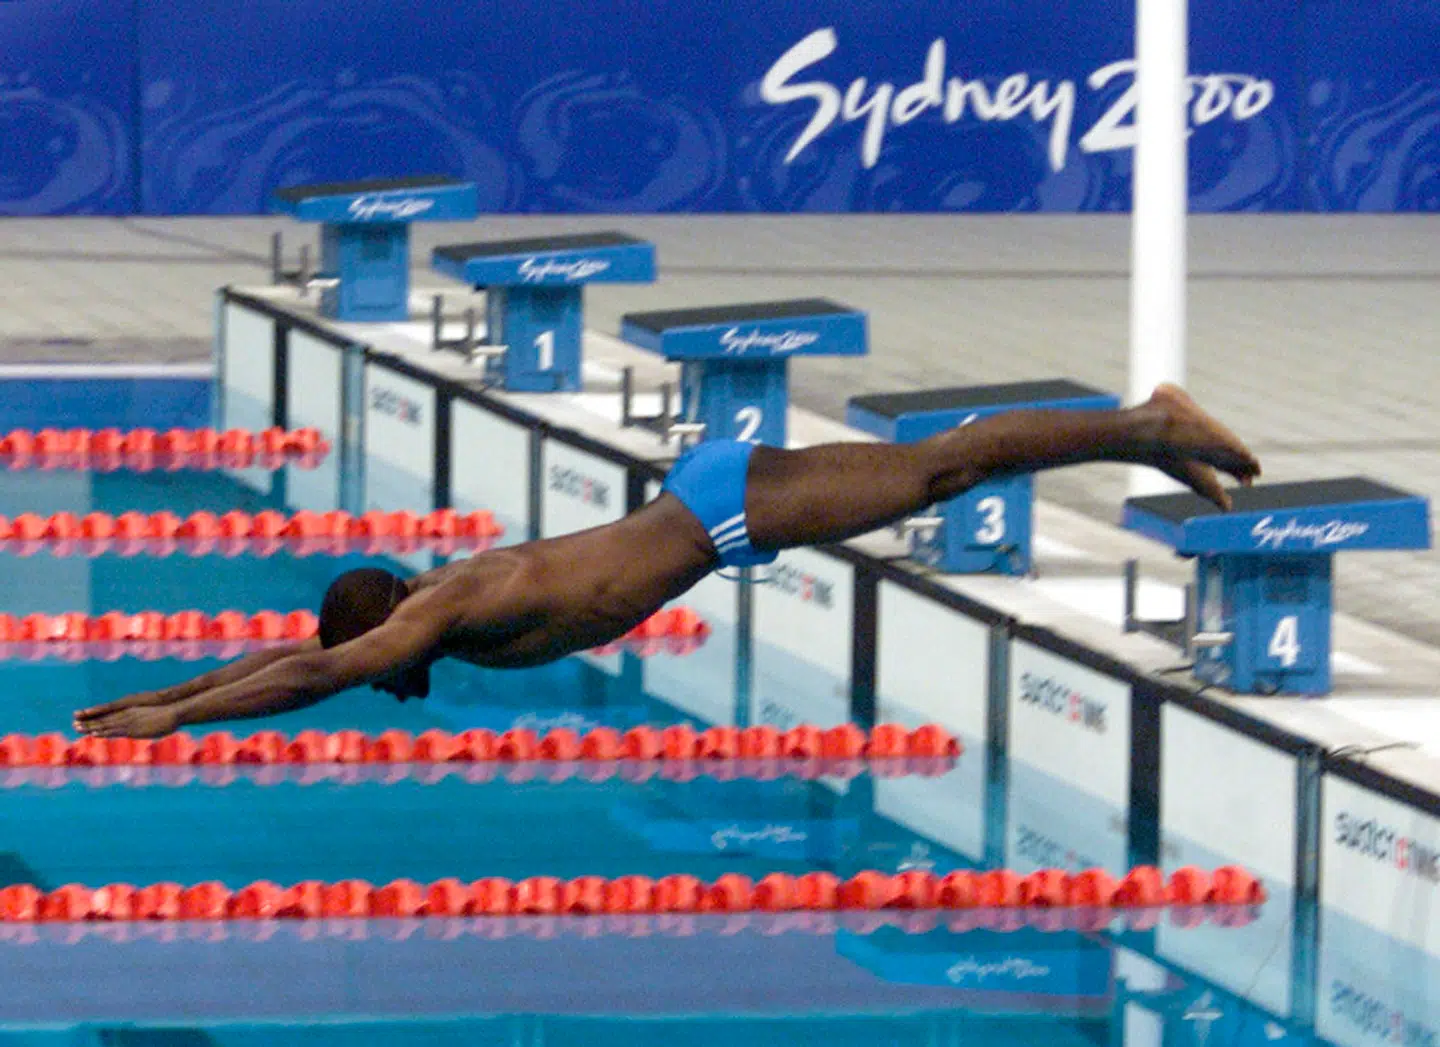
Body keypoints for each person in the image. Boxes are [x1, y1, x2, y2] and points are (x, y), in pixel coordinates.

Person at [74, 384, 1260, 739]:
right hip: (705, 510)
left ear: (383, 626)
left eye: (381, 659)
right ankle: (1145, 442)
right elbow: (296, 655)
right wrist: (158, 695)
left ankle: (1153, 426)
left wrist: (182, 728)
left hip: (720, 509)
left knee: (939, 469)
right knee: (935, 472)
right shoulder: (423, 600)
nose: (385, 680)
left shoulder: (441, 614)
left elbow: (311, 676)